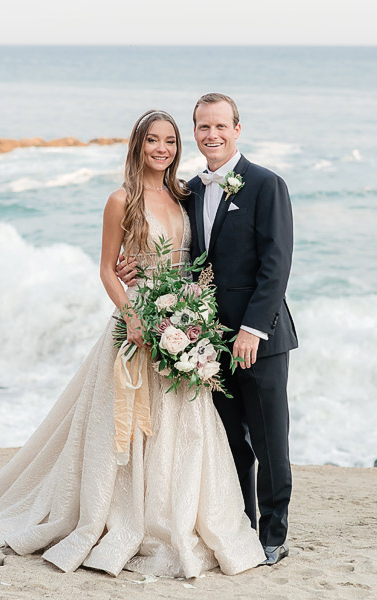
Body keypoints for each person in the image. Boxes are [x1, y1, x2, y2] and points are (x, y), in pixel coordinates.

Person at [0, 109, 265, 579]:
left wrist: (197, 303)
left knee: (184, 428)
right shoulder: (122, 200)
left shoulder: (185, 195)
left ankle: (175, 513)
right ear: (137, 146)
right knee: (126, 429)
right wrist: (133, 315)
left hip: (182, 322)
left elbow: (204, 257)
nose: (162, 149)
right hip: (138, 326)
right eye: (152, 141)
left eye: (170, 142)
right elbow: (106, 269)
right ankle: (120, 514)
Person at [119, 93, 297, 566]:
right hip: (204, 342)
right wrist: (137, 268)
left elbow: (276, 267)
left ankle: (274, 535)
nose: (211, 135)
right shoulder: (189, 190)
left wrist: (252, 330)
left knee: (269, 441)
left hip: (260, 339)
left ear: (237, 129)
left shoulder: (266, 185)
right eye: (202, 127)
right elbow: (173, 249)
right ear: (194, 132)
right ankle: (241, 527)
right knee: (227, 444)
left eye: (220, 126)